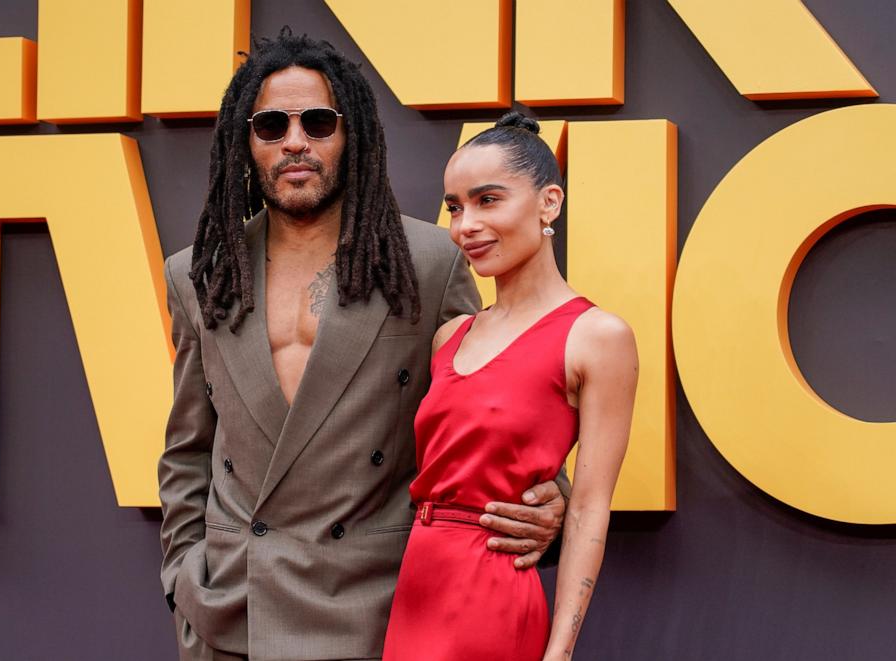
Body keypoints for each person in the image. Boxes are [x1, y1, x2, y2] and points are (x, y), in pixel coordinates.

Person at [157, 31, 570, 661]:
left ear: (352, 137)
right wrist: (184, 576)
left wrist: (549, 500)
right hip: (234, 609)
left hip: (373, 605)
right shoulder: (199, 274)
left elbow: (488, 407)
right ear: (246, 142)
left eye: (318, 122)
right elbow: (189, 447)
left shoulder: (430, 264)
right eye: (271, 125)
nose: (296, 141)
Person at [382, 113, 639, 661]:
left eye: (488, 200)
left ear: (549, 202)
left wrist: (560, 652)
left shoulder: (597, 337)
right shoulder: (451, 335)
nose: (464, 225)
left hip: (493, 591)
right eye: (455, 207)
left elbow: (591, 508)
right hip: (415, 590)